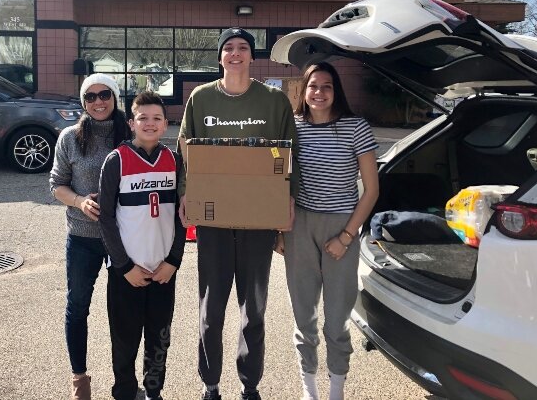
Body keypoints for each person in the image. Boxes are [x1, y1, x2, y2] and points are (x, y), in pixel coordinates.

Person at [178, 27, 300, 400]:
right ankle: (210, 383)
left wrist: (287, 204)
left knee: (254, 309)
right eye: (228, 48)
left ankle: (250, 385)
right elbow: (186, 152)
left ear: (251, 56)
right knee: (211, 310)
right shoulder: (200, 99)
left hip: (258, 221)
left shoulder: (273, 101)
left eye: (242, 48)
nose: (235, 53)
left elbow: (289, 157)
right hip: (214, 223)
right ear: (220, 57)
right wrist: (186, 195)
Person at [276, 62, 379, 400]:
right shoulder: (293, 127)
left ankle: (336, 390)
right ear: (302, 91)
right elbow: (279, 180)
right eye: (313, 86)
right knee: (303, 315)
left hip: (341, 226)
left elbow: (372, 191)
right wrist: (280, 229)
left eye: (327, 86)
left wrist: (347, 236)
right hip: (300, 225)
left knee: (336, 320)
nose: (319, 92)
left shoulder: (355, 128)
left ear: (336, 92)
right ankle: (310, 390)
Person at [99, 91, 186, 400]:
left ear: (165, 125)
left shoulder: (173, 161)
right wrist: (123, 265)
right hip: (127, 271)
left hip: (163, 269)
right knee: (124, 339)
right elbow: (106, 218)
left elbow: (181, 215)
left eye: (157, 118)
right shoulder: (116, 160)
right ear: (131, 123)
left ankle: (153, 392)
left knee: (159, 339)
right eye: (143, 118)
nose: (150, 123)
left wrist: (174, 261)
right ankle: (123, 392)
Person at [49, 73, 131, 400]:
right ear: (84, 102)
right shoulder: (70, 137)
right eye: (92, 96)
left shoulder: (130, 134)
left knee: (123, 313)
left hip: (123, 239)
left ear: (114, 97)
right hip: (82, 239)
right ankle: (79, 380)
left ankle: (123, 382)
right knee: (78, 306)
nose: (99, 102)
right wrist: (79, 201)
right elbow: (57, 185)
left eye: (105, 94)